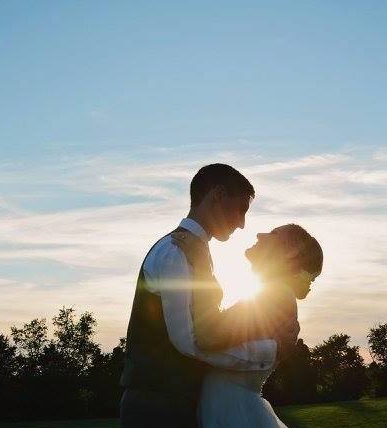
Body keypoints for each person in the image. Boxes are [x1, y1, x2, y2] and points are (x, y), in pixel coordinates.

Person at [119, 164, 298, 428]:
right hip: (158, 407)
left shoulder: (195, 251)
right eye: (241, 209)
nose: (242, 222)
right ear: (218, 195)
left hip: (180, 403)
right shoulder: (174, 252)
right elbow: (190, 341)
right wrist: (271, 351)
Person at [198, 224, 323, 427]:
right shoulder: (273, 293)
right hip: (230, 404)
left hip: (232, 411)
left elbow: (208, 335)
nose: (259, 234)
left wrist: (194, 262)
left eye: (273, 234)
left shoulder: (276, 294)